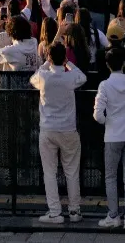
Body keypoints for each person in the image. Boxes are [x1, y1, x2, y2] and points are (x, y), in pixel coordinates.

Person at [30, 41, 86, 224]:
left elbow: (33, 79)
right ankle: (75, 210)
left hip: (48, 129)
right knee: (71, 171)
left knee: (50, 172)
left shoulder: (44, 77)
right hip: (68, 128)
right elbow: (82, 76)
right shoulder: (71, 77)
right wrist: (66, 63)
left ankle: (55, 212)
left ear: (48, 57)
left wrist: (48, 62)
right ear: (64, 58)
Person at [93, 46, 125, 230]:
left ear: (107, 65)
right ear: (123, 63)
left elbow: (97, 115)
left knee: (111, 176)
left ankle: (113, 215)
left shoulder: (105, 85)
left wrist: (108, 122)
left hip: (113, 135)